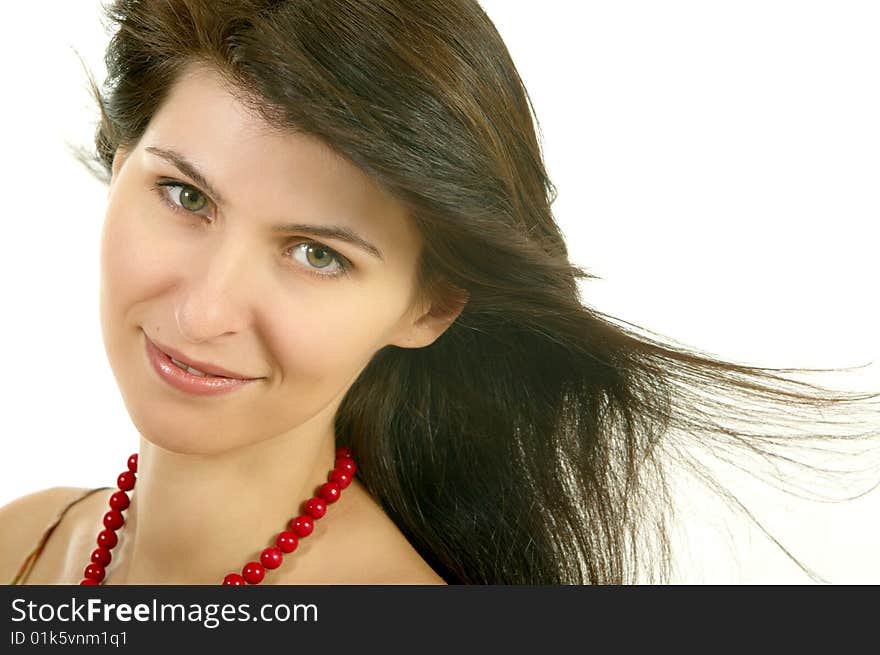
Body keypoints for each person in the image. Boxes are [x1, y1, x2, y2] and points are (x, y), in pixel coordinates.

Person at [1, 0, 878, 585]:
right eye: (185, 196)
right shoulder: (24, 540)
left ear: (430, 305)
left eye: (316, 253)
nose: (204, 311)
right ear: (119, 166)